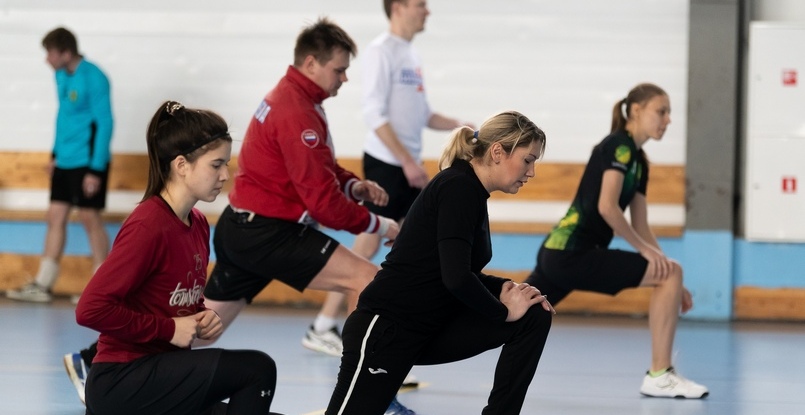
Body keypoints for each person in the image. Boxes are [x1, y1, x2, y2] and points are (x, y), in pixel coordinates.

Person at [325, 111, 554, 415]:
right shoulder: (457, 187)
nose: (532, 172)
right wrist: (502, 311)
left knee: (534, 314)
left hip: (429, 327)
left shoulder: (472, 191)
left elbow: (462, 272)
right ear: (498, 151)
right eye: (528, 160)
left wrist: (512, 289)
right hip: (387, 331)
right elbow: (456, 278)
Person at [73, 101, 283, 415]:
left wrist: (200, 314)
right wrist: (169, 330)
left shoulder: (197, 224)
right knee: (257, 369)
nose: (226, 174)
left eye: (226, 164)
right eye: (216, 165)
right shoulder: (148, 225)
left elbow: (171, 299)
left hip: (166, 374)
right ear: (181, 165)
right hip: (124, 382)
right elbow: (90, 309)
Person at [524, 83, 709, 399]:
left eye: (669, 113)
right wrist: (659, 265)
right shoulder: (618, 146)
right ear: (636, 110)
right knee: (671, 273)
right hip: (570, 254)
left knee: (515, 315)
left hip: (559, 254)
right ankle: (660, 374)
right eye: (661, 111)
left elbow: (640, 224)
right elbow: (607, 208)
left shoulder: (639, 160)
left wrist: (667, 273)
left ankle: (421, 349)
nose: (667, 120)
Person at [312, 0, 473, 363]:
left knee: (408, 246)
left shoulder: (410, 56)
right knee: (368, 245)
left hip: (408, 166)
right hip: (388, 164)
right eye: (420, 4)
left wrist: (461, 124)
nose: (427, 11)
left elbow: (423, 114)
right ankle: (323, 326)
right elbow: (373, 112)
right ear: (398, 7)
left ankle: (395, 326)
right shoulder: (380, 51)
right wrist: (404, 161)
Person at [7, 27, 113, 303]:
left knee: (90, 218)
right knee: (54, 216)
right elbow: (64, 116)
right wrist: (55, 155)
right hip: (65, 161)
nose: (47, 60)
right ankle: (43, 284)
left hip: (88, 162)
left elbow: (105, 123)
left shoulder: (95, 77)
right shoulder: (60, 76)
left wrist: (96, 169)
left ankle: (101, 289)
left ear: (66, 53)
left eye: (50, 54)